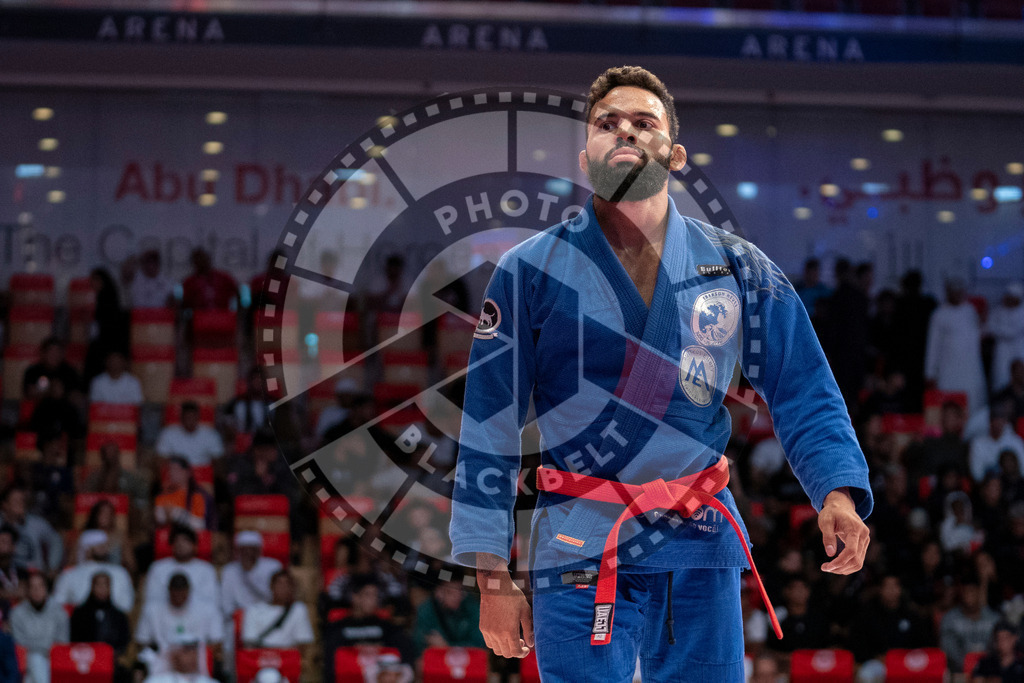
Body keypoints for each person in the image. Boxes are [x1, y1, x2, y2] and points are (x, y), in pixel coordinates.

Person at [447, 65, 872, 681]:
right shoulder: (528, 270)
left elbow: (802, 385)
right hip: (580, 539)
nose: (624, 131)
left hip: (698, 536)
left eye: (644, 123)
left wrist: (836, 492)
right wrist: (492, 574)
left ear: (675, 155)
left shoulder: (737, 265)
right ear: (586, 156)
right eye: (607, 123)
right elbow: (489, 421)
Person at [135, 573, 223, 677]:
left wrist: (190, 655)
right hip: (162, 663)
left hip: (197, 662)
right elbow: (142, 641)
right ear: (169, 590)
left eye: (182, 590)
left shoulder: (207, 609)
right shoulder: (152, 610)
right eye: (175, 590)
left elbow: (217, 642)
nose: (178, 594)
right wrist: (165, 655)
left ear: (189, 590)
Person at [925, 278, 987, 417]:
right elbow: (933, 346)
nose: (957, 294)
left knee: (973, 405)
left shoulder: (970, 310)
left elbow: (978, 334)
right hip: (947, 371)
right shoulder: (939, 314)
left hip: (971, 371)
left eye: (959, 290)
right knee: (949, 407)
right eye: (953, 291)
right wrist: (930, 373)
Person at [52, 529, 134, 612]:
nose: (103, 548)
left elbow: (127, 604)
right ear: (86, 548)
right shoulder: (69, 574)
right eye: (98, 544)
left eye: (104, 544)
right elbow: (58, 605)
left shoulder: (120, 572)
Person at [240, 570, 314, 660]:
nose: (283, 588)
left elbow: (303, 643)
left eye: (287, 584)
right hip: (260, 659)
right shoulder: (254, 610)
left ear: (292, 588)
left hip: (287, 660)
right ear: (271, 586)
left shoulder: (298, 609)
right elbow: (249, 644)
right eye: (279, 584)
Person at [10, 572, 69, 683]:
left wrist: (42, 649)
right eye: (33, 587)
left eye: (40, 586)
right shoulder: (17, 613)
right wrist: (43, 648)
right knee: (36, 658)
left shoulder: (60, 612)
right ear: (27, 590)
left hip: (54, 659)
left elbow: (62, 642)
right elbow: (19, 643)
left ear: (47, 589)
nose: (36, 590)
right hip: (28, 660)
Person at [143, 525, 219, 608]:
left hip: (199, 615)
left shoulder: (206, 569)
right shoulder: (157, 568)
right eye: (177, 540)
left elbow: (211, 602)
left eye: (185, 540)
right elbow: (152, 600)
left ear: (194, 545)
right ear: (171, 545)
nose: (180, 544)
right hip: (164, 614)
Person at [940, 577, 1000, 674]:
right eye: (965, 592)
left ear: (979, 592)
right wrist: (969, 664)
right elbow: (948, 649)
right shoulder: (950, 619)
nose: (968, 595)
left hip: (990, 670)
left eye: (972, 591)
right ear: (960, 594)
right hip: (959, 671)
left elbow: (1000, 645)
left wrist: (985, 664)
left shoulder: (994, 618)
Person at [0, 486, 63, 575]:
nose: (21, 504)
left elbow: (56, 540)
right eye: (16, 501)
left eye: (22, 501)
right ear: (5, 505)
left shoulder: (36, 523)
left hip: (34, 575)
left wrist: (53, 566)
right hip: (6, 574)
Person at [412, 581, 485, 657]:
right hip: (436, 659)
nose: (456, 597)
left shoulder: (472, 608)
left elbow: (479, 643)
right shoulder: (426, 610)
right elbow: (418, 643)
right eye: (449, 592)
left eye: (460, 591)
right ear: (439, 593)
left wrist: (448, 646)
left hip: (470, 660)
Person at [70, 572, 132, 659]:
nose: (102, 589)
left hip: (112, 661)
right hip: (83, 660)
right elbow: (73, 640)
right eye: (98, 585)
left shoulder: (119, 617)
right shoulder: (79, 614)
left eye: (105, 585)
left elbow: (124, 643)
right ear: (92, 587)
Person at [153, 456, 216, 532]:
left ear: (187, 472)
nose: (172, 473)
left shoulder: (198, 495)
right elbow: (159, 518)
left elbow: (199, 525)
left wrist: (175, 513)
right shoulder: (163, 495)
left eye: (176, 469)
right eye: (170, 470)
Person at [969, 399, 1024, 483]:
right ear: (989, 421)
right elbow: (977, 474)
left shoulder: (1016, 441)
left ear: (1005, 421)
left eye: (1000, 419)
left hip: (1013, 485)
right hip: (988, 486)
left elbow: (1022, 470)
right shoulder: (978, 443)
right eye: (994, 419)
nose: (997, 423)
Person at [155, 402, 225, 468]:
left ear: (198, 418)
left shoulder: (211, 434)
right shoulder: (168, 433)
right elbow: (161, 458)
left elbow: (218, 458)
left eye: (193, 418)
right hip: (178, 473)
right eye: (187, 418)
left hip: (202, 472)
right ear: (181, 418)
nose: (190, 421)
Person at [21, 337, 82, 402]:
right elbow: (30, 392)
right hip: (41, 406)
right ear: (43, 353)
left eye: (57, 352)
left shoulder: (70, 372)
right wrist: (50, 390)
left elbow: (77, 393)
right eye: (51, 352)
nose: (54, 356)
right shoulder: (33, 371)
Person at [988, 282, 1024, 393]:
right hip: (1001, 353)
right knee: (1000, 379)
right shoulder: (998, 311)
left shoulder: (1022, 312)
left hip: (1019, 352)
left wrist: (999, 329)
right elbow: (990, 327)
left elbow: (1012, 333)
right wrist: (999, 330)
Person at [142, 633, 218, 683]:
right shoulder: (155, 681)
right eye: (186, 651)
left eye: (195, 652)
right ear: (173, 656)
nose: (192, 656)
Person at [181, 247, 238, 312]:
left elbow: (237, 292)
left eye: (203, 259)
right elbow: (185, 303)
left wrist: (239, 313)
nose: (201, 262)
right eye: (198, 260)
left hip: (222, 314)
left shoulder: (223, 277)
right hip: (200, 315)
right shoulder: (189, 282)